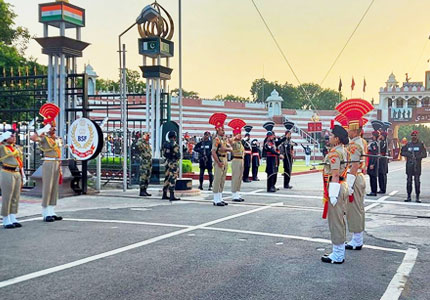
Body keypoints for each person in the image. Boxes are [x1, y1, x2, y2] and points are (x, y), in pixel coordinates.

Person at [321, 125, 349, 264]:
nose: (329, 137)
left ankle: (338, 254)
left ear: (337, 139)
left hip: (335, 187)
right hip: (341, 186)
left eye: (332, 135)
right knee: (340, 220)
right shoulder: (344, 151)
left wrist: (332, 194)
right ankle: (339, 251)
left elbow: (335, 173)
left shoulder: (334, 153)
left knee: (336, 221)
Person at [31, 104, 63, 222]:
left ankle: (52, 211)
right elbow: (33, 138)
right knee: (47, 188)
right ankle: (45, 213)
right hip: (48, 163)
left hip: (56, 163)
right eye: (52, 127)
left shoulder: (56, 139)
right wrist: (42, 130)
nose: (54, 129)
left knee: (54, 188)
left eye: (54, 127)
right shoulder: (44, 138)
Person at [0, 130, 24, 229]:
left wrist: (23, 175)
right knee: (7, 196)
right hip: (7, 171)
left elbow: (20, 161)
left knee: (15, 196)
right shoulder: (2, 147)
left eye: (14, 136)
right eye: (11, 136)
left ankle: (12, 216)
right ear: (6, 137)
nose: (14, 138)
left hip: (16, 172)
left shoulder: (16, 147)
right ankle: (6, 218)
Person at [210, 113, 232, 206]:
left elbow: (229, 147)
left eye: (223, 129)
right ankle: (215, 199)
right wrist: (218, 162)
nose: (223, 131)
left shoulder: (224, 139)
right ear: (217, 130)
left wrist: (226, 148)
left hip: (225, 159)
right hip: (219, 159)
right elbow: (213, 152)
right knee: (217, 179)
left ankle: (220, 197)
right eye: (222, 129)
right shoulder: (216, 140)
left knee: (222, 180)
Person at [401, 130, 427, 203]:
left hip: (417, 165)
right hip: (409, 165)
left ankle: (417, 197)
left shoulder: (421, 145)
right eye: (413, 136)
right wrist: (409, 155)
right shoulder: (408, 144)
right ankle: (408, 196)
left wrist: (417, 157)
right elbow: (402, 152)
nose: (414, 137)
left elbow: (424, 154)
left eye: (415, 135)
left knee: (417, 182)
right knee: (409, 181)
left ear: (417, 136)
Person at [228, 119, 246, 202]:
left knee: (239, 178)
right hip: (236, 160)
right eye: (239, 133)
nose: (240, 135)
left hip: (241, 160)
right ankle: (234, 194)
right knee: (235, 177)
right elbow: (229, 141)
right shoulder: (234, 141)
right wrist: (235, 137)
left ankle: (237, 193)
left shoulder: (240, 142)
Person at [263, 122, 283, 192]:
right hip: (270, 159)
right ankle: (270, 187)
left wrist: (285, 137)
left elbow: (279, 142)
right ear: (269, 136)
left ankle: (273, 185)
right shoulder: (267, 142)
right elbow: (271, 150)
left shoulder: (273, 142)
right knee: (271, 173)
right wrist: (278, 154)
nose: (274, 137)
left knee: (275, 173)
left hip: (274, 159)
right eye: (272, 135)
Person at [162, 131, 181, 201]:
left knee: (166, 178)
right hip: (173, 163)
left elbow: (164, 154)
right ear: (175, 137)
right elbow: (178, 155)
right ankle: (172, 195)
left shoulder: (165, 144)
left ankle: (164, 194)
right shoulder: (175, 145)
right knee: (173, 178)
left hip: (167, 162)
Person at [280, 121, 296, 189]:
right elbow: (282, 147)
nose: (290, 135)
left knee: (289, 170)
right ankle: (286, 184)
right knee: (286, 170)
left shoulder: (290, 140)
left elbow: (294, 145)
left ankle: (287, 183)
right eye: (289, 134)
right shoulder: (284, 140)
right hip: (286, 157)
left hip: (290, 157)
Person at [137, 132, 152, 197]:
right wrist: (142, 139)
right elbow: (138, 145)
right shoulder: (141, 142)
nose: (148, 137)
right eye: (147, 136)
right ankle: (142, 190)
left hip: (149, 162)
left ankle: (145, 190)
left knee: (147, 176)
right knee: (143, 176)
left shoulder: (147, 143)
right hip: (144, 162)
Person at [366, 129, 380, 196]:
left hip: (373, 161)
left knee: (373, 177)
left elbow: (374, 154)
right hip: (372, 161)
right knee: (372, 177)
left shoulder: (374, 144)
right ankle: (373, 191)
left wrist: (372, 164)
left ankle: (373, 191)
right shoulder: (375, 143)